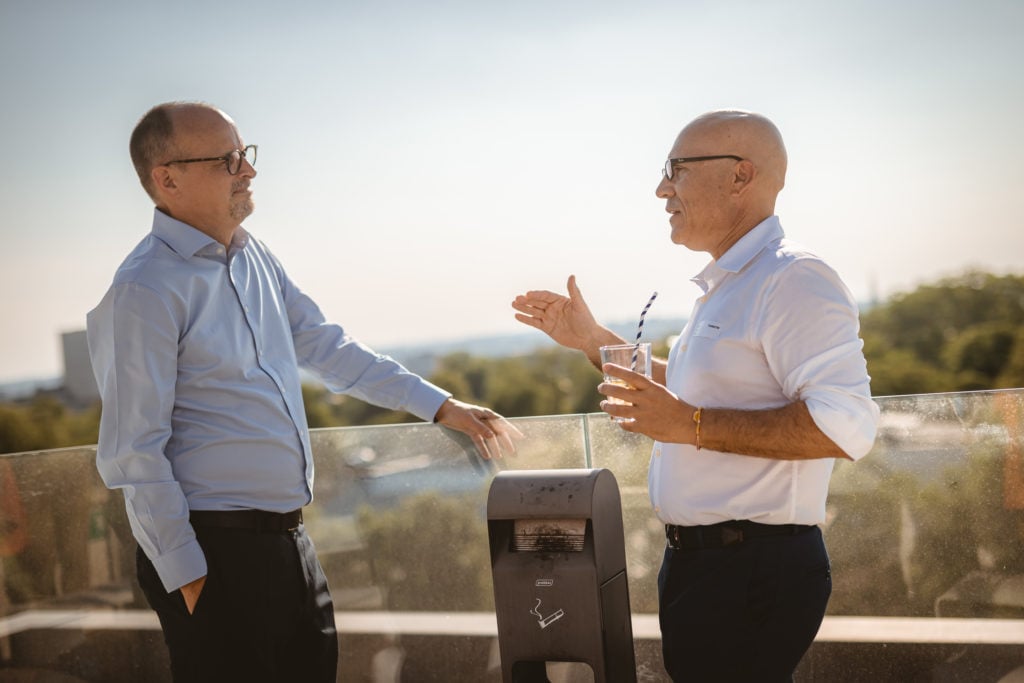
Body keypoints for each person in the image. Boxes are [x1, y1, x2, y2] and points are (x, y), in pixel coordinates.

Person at [87, 101, 518, 683]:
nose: (248, 170)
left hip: (289, 542)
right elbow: (133, 450)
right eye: (227, 159)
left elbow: (326, 346)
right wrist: (187, 573)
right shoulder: (144, 289)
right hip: (213, 554)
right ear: (167, 178)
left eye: (246, 153)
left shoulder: (253, 255)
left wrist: (439, 405)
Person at [512, 110, 879, 682]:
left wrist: (691, 425)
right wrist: (592, 341)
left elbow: (845, 426)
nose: (662, 188)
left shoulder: (794, 279)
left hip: (753, 569)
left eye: (676, 169)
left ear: (740, 176)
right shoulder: (732, 284)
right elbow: (685, 394)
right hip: (704, 567)